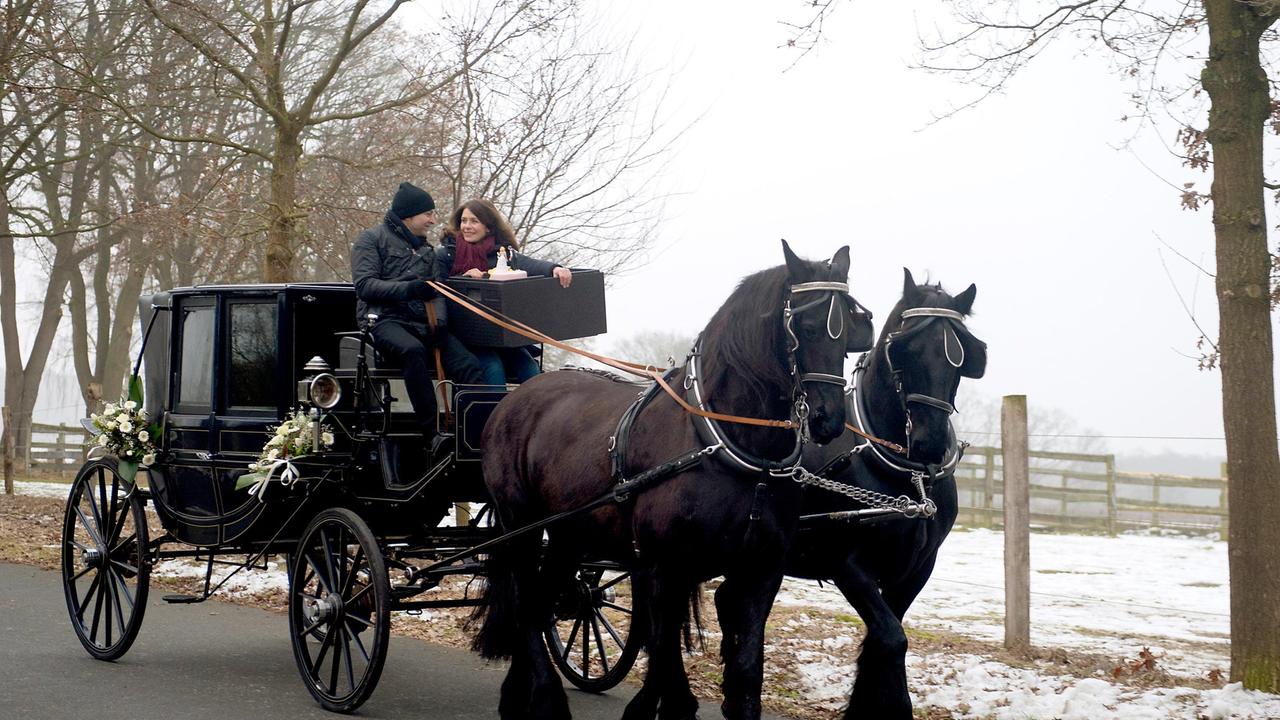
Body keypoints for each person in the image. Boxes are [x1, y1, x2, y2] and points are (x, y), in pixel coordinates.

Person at [350, 182, 483, 455]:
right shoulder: (370, 240)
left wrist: (441, 325)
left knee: (468, 364)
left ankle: (474, 434)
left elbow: (435, 292)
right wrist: (408, 288)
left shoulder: (426, 251)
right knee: (412, 351)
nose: (433, 221)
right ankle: (432, 434)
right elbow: (365, 286)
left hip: (423, 321)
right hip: (383, 320)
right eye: (428, 214)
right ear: (408, 216)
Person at [436, 199, 572, 386]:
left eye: (474, 221)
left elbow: (529, 264)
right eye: (464, 221)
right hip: (464, 335)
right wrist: (465, 280)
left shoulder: (502, 254)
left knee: (529, 366)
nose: (467, 226)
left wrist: (555, 269)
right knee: (493, 367)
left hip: (497, 334)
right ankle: (494, 414)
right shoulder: (445, 256)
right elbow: (438, 292)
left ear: (489, 227)